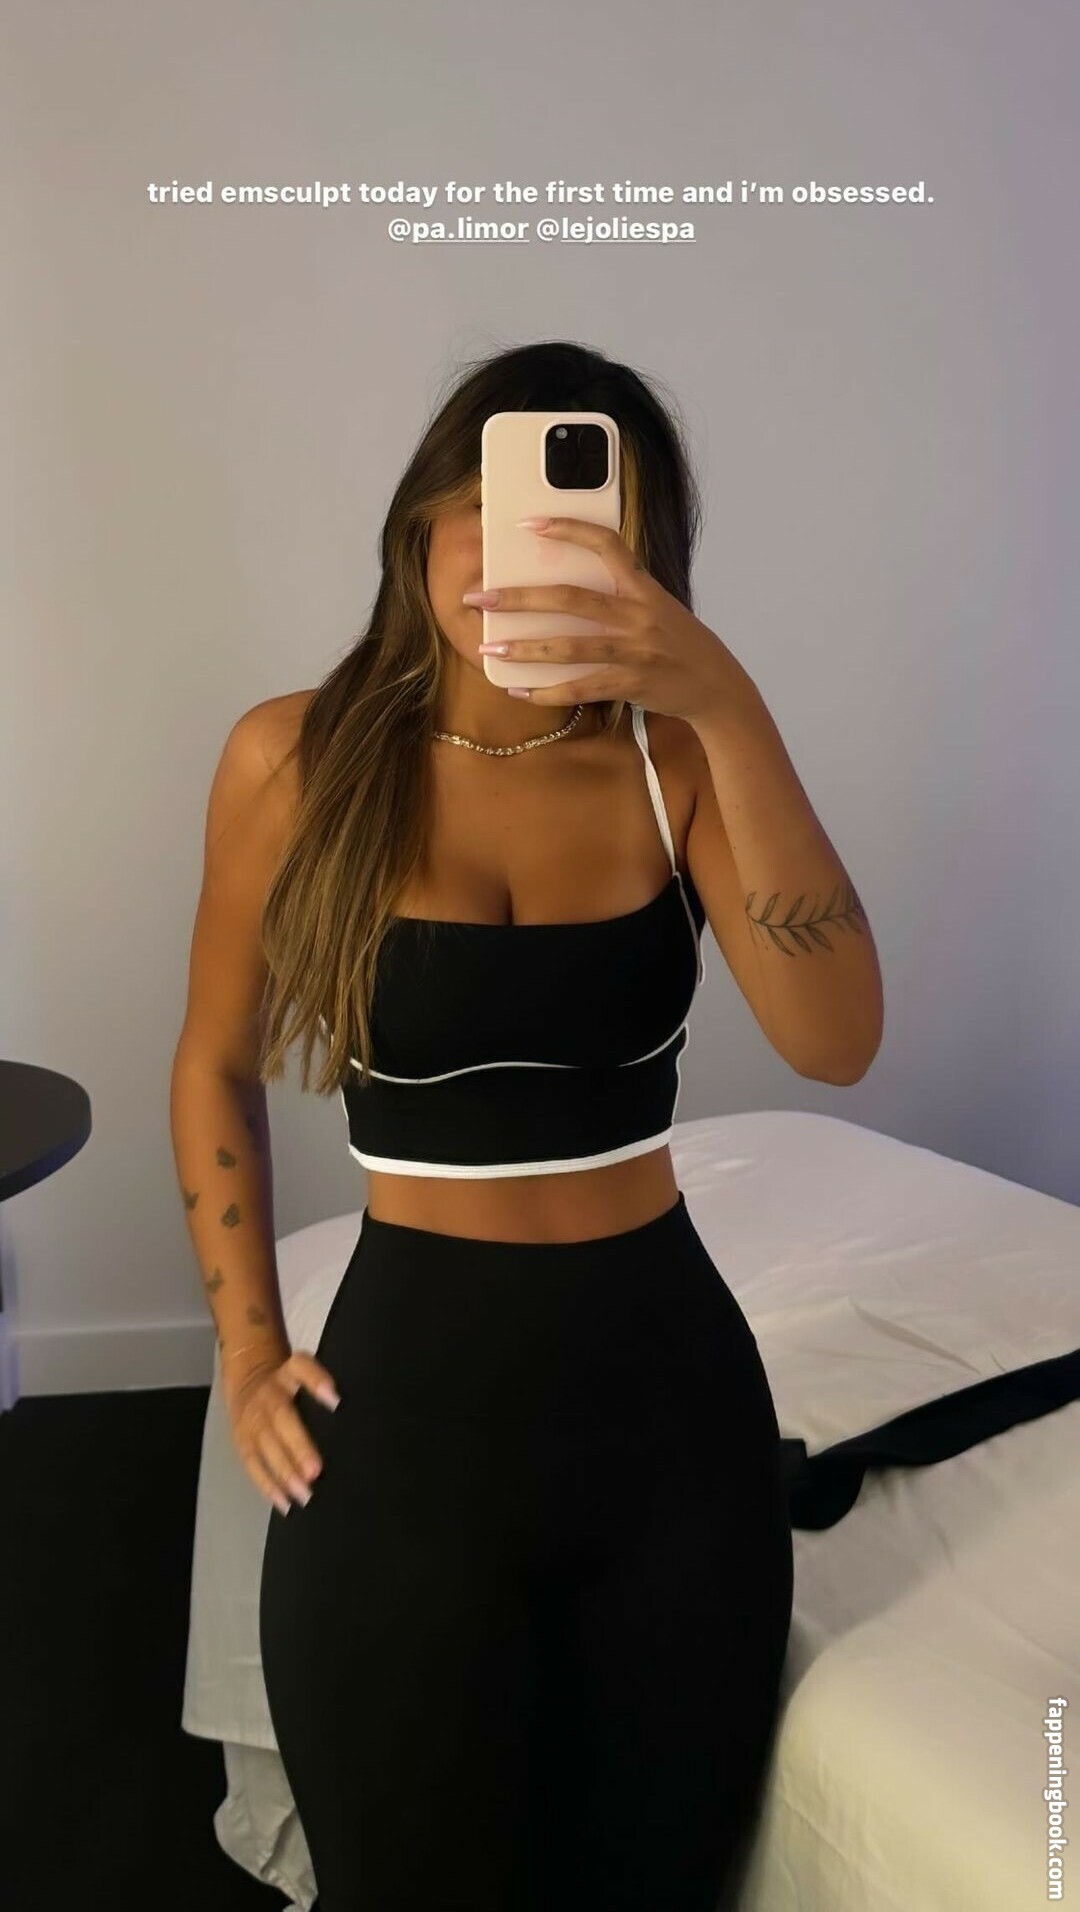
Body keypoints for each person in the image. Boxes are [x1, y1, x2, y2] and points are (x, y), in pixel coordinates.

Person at [172, 341, 805, 1910]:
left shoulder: (675, 761)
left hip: (676, 1428)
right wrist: (246, 1346)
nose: (519, 555)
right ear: (423, 520)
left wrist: (728, 701)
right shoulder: (293, 757)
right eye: (491, 503)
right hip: (406, 1420)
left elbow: (835, 1036)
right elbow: (213, 1062)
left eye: (594, 526)